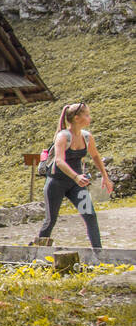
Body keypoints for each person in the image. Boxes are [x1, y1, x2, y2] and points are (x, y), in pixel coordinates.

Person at [35, 102, 112, 251]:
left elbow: (95, 156)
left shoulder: (87, 137)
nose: (90, 118)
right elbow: (58, 161)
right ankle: (37, 252)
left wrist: (105, 177)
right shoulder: (63, 136)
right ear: (77, 118)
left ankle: (98, 253)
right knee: (50, 220)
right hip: (56, 183)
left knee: (90, 215)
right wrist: (76, 176)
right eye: (87, 115)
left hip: (76, 185)